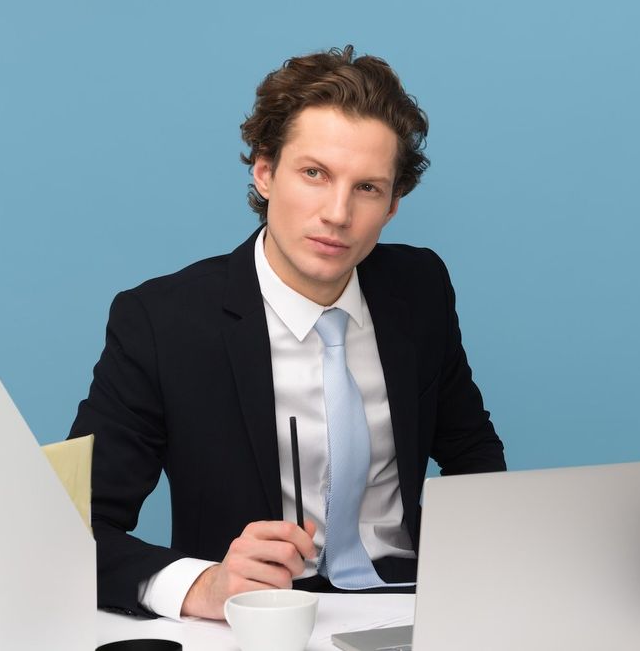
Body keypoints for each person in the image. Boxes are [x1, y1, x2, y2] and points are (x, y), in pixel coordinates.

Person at [69, 46, 506, 621]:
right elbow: (72, 530)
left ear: (394, 205)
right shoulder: (160, 322)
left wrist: (484, 573)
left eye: (368, 188)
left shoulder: (419, 289)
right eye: (314, 174)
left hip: (415, 610)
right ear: (265, 172)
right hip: (255, 623)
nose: (337, 213)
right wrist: (202, 585)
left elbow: (472, 452)